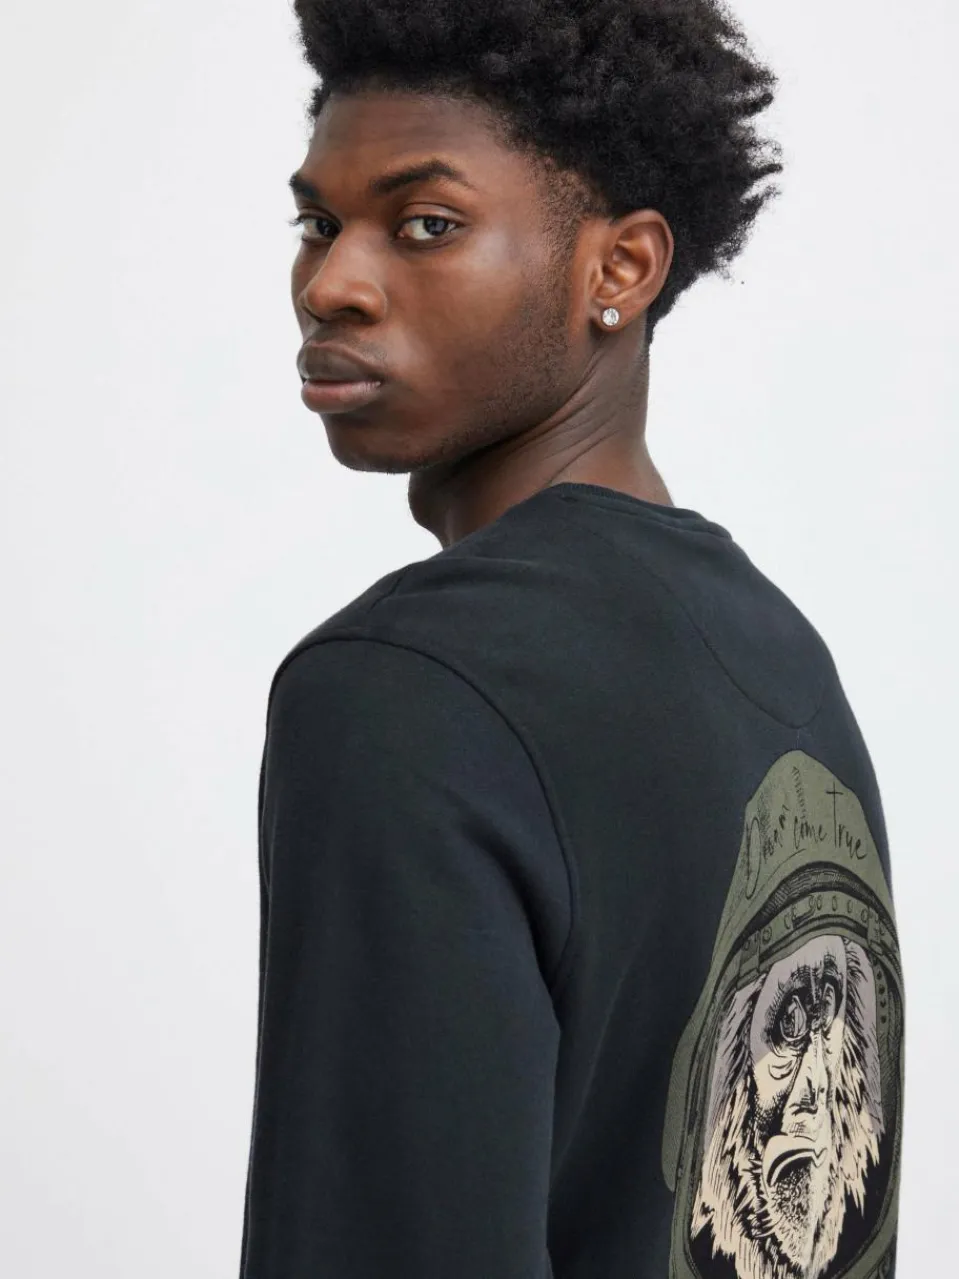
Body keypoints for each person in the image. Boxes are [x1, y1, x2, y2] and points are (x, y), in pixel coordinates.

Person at [238, 1, 905, 1276]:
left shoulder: (407, 689)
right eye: (317, 224)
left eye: (425, 224)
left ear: (620, 269)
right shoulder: (780, 656)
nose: (330, 284)